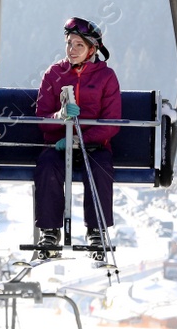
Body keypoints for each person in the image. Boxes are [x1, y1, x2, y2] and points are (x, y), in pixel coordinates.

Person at [32, 17, 122, 262]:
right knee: (48, 166)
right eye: (69, 44)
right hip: (59, 145)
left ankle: (96, 230)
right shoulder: (54, 74)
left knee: (100, 167)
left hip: (94, 145)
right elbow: (41, 118)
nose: (72, 50)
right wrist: (59, 117)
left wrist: (82, 140)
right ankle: (49, 231)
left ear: (92, 50)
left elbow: (111, 122)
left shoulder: (106, 77)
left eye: (79, 46)